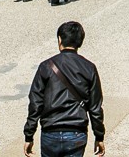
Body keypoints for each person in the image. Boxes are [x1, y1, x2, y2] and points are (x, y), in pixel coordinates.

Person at [24, 20, 105, 157]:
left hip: (50, 132)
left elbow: (35, 103)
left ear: (60, 40)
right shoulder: (89, 68)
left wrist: (29, 135)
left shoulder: (46, 66)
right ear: (80, 42)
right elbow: (95, 107)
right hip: (76, 133)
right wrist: (99, 136)